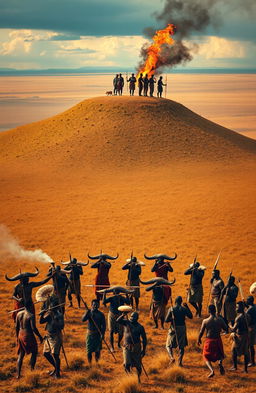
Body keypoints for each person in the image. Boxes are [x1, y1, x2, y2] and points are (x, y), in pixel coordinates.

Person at [198, 304, 228, 378]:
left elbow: (201, 331)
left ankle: (212, 370)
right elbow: (226, 329)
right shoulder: (219, 320)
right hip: (217, 339)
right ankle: (220, 363)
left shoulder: (205, 321)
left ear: (209, 311)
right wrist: (223, 320)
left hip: (209, 340)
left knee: (206, 356)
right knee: (220, 354)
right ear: (215, 310)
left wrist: (198, 339)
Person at [117, 311, 147, 383]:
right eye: (131, 316)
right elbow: (118, 321)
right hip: (126, 346)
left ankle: (138, 378)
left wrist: (143, 350)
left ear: (137, 318)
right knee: (127, 364)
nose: (131, 318)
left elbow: (144, 339)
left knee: (138, 366)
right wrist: (123, 315)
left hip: (136, 347)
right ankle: (130, 377)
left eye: (133, 317)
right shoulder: (126, 323)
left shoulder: (140, 327)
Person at [16, 301, 43, 378]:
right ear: (31, 306)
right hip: (28, 335)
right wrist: (40, 337)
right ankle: (32, 370)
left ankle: (18, 374)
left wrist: (17, 337)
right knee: (34, 352)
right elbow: (34, 328)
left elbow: (16, 327)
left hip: (20, 334)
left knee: (21, 354)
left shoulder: (19, 314)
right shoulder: (30, 315)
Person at [39, 297, 64, 378]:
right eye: (49, 307)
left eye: (51, 307)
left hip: (57, 336)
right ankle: (56, 368)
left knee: (55, 355)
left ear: (55, 308)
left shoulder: (59, 315)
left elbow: (61, 326)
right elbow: (41, 322)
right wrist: (42, 313)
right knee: (46, 353)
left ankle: (57, 373)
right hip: (48, 336)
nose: (50, 308)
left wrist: (54, 318)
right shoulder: (49, 314)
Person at [165, 296, 193, 366]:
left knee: (168, 345)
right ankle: (180, 362)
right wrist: (187, 307)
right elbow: (190, 316)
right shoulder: (184, 309)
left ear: (175, 302)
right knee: (181, 346)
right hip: (182, 328)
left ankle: (171, 357)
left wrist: (172, 319)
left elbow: (166, 320)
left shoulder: (172, 309)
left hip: (173, 328)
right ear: (181, 302)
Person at [82, 299, 106, 365]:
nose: (95, 306)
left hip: (97, 335)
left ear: (99, 305)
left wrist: (102, 334)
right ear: (91, 305)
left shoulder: (101, 314)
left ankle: (97, 363)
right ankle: (90, 364)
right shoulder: (89, 313)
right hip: (90, 334)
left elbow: (103, 326)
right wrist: (87, 312)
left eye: (97, 305)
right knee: (89, 351)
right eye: (94, 305)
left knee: (97, 351)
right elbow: (83, 320)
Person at [229, 301, 250, 373]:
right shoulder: (247, 315)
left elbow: (233, 329)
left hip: (239, 336)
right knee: (246, 352)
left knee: (233, 350)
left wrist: (229, 325)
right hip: (246, 335)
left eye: (237, 307)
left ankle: (235, 367)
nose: (236, 308)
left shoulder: (238, 318)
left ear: (241, 308)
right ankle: (245, 369)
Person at [246, 295, 256, 367]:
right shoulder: (254, 306)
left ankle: (252, 361)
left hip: (251, 328)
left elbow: (247, 319)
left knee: (250, 345)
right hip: (254, 326)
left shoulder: (249, 310)